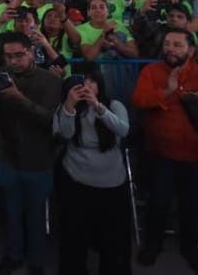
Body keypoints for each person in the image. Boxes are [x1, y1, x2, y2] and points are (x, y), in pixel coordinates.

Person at [131, 26, 198, 274]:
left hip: (195, 155)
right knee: (158, 201)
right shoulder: (151, 71)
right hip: (160, 153)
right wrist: (168, 90)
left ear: (191, 50)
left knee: (191, 204)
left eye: (177, 45)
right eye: (167, 44)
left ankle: (190, 247)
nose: (171, 49)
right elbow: (139, 101)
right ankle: (153, 245)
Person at [0, 32, 62, 275]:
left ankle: (36, 261)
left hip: (38, 160)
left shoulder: (49, 81)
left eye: (19, 55)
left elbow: (50, 120)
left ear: (31, 52)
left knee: (36, 215)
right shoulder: (1, 76)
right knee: (11, 213)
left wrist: (19, 98)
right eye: (8, 56)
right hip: (8, 158)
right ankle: (14, 255)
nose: (13, 61)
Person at [54, 62, 132, 275]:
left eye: (92, 81)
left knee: (112, 240)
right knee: (74, 236)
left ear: (100, 84)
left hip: (111, 183)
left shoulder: (114, 105)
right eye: (82, 82)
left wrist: (98, 107)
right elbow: (65, 134)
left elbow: (123, 129)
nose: (86, 86)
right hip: (77, 180)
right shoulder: (67, 106)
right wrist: (69, 107)